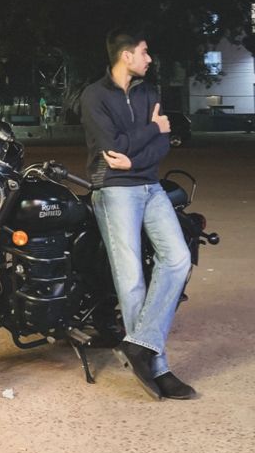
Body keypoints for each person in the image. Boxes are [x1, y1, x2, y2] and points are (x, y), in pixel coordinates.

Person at [79, 28, 196, 401]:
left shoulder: (149, 93)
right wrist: (149, 131)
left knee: (177, 259)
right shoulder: (94, 96)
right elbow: (112, 146)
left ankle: (140, 344)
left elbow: (162, 143)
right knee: (131, 281)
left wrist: (135, 155)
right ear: (126, 56)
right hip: (113, 190)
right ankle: (157, 368)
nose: (149, 59)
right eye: (144, 52)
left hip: (149, 184)